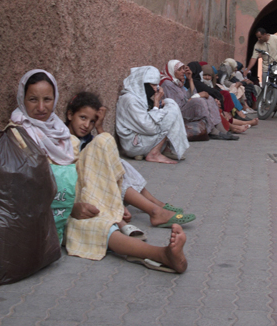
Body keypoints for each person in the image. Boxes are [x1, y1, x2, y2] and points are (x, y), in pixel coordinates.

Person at [10, 69, 188, 273]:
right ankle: (159, 254)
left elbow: (81, 167)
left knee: (103, 142)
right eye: (33, 99)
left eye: (47, 99)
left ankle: (135, 219)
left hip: (80, 193)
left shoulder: (57, 127)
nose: (41, 107)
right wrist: (71, 207)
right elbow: (30, 184)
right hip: (55, 205)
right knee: (92, 225)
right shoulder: (19, 133)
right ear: (22, 100)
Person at [65, 91, 196, 234]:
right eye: (82, 118)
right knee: (111, 167)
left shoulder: (87, 138)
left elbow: (109, 151)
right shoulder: (64, 138)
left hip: (96, 181)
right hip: (82, 186)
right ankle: (155, 210)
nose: (86, 125)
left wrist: (99, 126)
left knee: (119, 163)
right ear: (70, 115)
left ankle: (156, 204)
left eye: (91, 121)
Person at [116, 66, 189, 164]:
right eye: (153, 85)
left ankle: (165, 148)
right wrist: (156, 104)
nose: (156, 89)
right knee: (171, 111)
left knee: (169, 102)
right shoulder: (130, 100)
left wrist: (159, 104)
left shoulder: (138, 96)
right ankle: (154, 153)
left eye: (157, 85)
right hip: (134, 145)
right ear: (142, 84)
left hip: (142, 137)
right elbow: (150, 128)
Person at [161, 60, 238, 141]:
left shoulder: (177, 82)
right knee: (199, 101)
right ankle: (211, 130)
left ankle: (221, 129)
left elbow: (189, 95)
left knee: (209, 98)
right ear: (172, 71)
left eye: (183, 69)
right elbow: (176, 106)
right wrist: (198, 96)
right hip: (177, 113)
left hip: (184, 109)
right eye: (179, 70)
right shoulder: (167, 84)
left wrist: (190, 79)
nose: (182, 72)